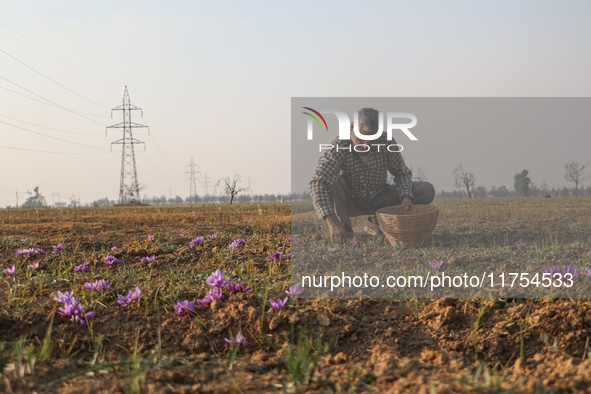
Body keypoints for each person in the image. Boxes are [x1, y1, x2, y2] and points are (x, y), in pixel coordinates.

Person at [309, 107, 435, 243]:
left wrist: (405, 195)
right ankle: (344, 225)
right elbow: (317, 183)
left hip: (380, 198)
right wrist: (332, 221)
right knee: (333, 179)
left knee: (426, 190)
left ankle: (376, 221)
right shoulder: (339, 146)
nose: (366, 145)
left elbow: (402, 173)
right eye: (361, 139)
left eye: (371, 140)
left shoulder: (386, 141)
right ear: (352, 128)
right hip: (351, 201)